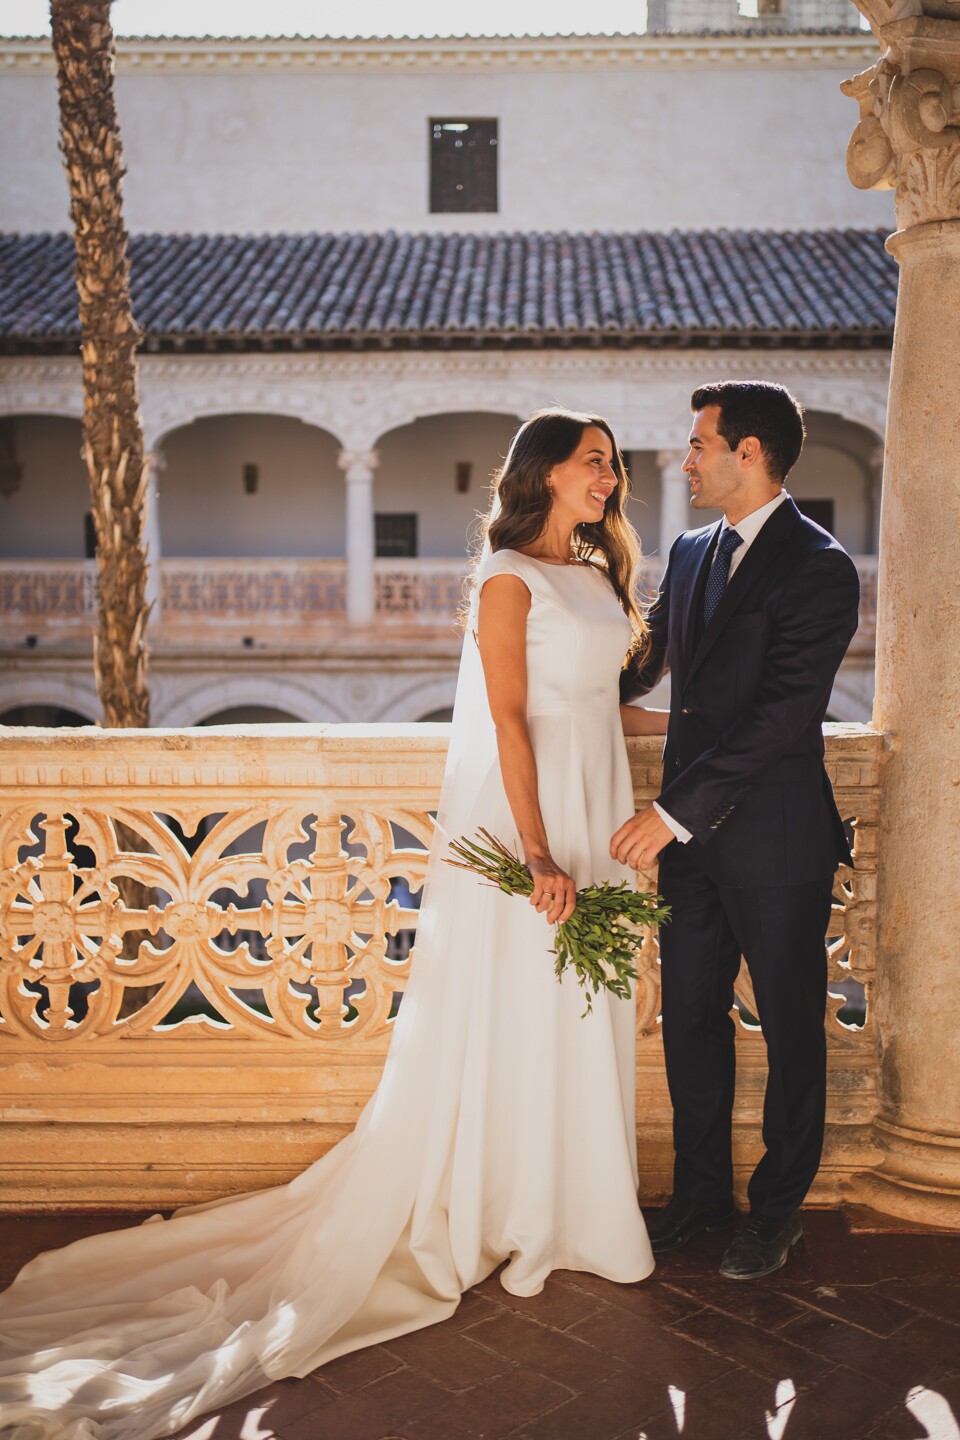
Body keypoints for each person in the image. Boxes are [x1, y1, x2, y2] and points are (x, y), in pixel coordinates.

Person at [0, 409, 666, 1440]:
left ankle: (575, 1209)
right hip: (529, 814)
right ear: (542, 474)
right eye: (592, 462)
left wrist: (709, 725)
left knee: (580, 1006)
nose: (610, 478)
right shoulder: (505, 578)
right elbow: (506, 718)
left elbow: (601, 705)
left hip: (595, 796)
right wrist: (535, 853)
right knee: (516, 1004)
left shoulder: (595, 573)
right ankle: (509, 1209)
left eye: (614, 465)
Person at [612, 380, 861, 1281]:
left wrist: (671, 810)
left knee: (794, 1026)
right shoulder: (685, 553)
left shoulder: (820, 565)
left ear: (748, 453)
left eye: (697, 444)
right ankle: (701, 1197)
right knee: (689, 1025)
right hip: (690, 849)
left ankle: (777, 1210)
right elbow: (640, 667)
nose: (685, 460)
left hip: (778, 840)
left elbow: (783, 714)